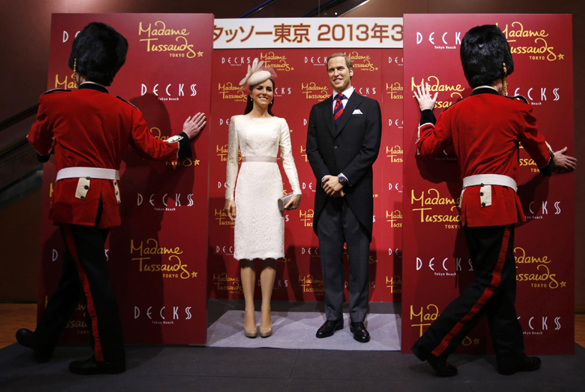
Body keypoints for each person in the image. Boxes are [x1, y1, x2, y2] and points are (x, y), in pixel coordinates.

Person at [17, 22, 207, 375]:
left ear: (78, 63)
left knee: (93, 280)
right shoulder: (124, 110)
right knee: (75, 276)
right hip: (106, 201)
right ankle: (45, 340)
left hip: (74, 202)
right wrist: (184, 136)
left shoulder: (54, 101)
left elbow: (39, 147)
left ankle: (110, 356)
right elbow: (154, 149)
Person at [411, 25, 577, 377]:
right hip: (498, 204)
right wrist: (552, 163)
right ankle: (434, 344)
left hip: (471, 205)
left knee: (503, 284)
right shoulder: (515, 108)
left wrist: (427, 111)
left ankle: (510, 356)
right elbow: (542, 156)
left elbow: (426, 148)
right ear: (502, 71)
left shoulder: (455, 111)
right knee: (490, 282)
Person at [306, 53, 382, 343]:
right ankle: (333, 317)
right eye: (331, 70)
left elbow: (370, 150)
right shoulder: (318, 109)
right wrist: (329, 180)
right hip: (327, 198)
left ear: (351, 71)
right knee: (330, 260)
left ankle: (359, 319)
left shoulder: (370, 106)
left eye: (340, 68)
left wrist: (343, 179)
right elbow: (312, 150)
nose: (336, 73)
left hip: (357, 196)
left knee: (360, 261)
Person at [224, 58, 302, 339]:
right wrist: (229, 195)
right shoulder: (237, 122)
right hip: (246, 185)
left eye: (269, 88)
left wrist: (297, 189)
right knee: (246, 251)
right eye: (260, 88)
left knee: (270, 250)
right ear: (250, 91)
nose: (265, 92)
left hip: (271, 186)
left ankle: (266, 308)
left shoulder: (280, 123)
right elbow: (232, 160)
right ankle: (248, 309)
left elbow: (289, 159)